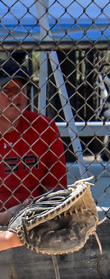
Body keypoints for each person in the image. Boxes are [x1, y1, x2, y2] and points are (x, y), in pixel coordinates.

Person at [0, 58, 68, 252]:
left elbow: (56, 190)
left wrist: (41, 211)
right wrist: (5, 217)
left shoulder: (43, 128)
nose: (16, 96)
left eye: (21, 89)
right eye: (7, 90)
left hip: (33, 223)